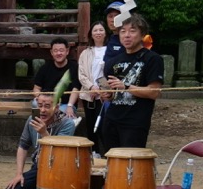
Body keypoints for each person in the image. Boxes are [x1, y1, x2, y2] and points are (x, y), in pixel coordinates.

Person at [99, 13, 164, 150]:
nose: (127, 35)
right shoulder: (112, 62)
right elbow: (112, 94)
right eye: (123, 31)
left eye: (132, 31)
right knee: (110, 163)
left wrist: (126, 86)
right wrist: (107, 95)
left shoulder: (153, 59)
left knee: (131, 164)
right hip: (111, 119)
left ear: (142, 34)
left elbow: (155, 92)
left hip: (135, 121)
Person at [2, 92, 76, 189]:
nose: (42, 110)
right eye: (39, 105)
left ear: (56, 107)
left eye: (47, 106)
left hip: (58, 169)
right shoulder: (32, 119)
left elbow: (58, 151)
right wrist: (19, 174)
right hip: (39, 167)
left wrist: (44, 133)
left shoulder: (67, 123)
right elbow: (23, 146)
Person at [76, 21, 109, 153]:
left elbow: (112, 72)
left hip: (106, 94)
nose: (98, 33)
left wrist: (102, 89)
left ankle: (106, 152)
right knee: (91, 125)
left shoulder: (111, 51)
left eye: (101, 30)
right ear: (91, 34)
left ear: (105, 32)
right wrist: (91, 87)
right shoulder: (85, 53)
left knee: (104, 125)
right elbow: (81, 73)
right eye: (95, 30)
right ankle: (94, 152)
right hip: (88, 94)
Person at [31, 38, 80, 119]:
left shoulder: (74, 67)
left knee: (63, 115)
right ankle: (35, 126)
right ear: (51, 52)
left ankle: (56, 128)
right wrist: (40, 97)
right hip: (46, 102)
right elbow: (36, 88)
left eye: (61, 50)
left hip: (65, 104)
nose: (58, 53)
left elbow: (76, 89)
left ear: (67, 51)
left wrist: (70, 105)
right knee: (35, 104)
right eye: (55, 50)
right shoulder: (45, 68)